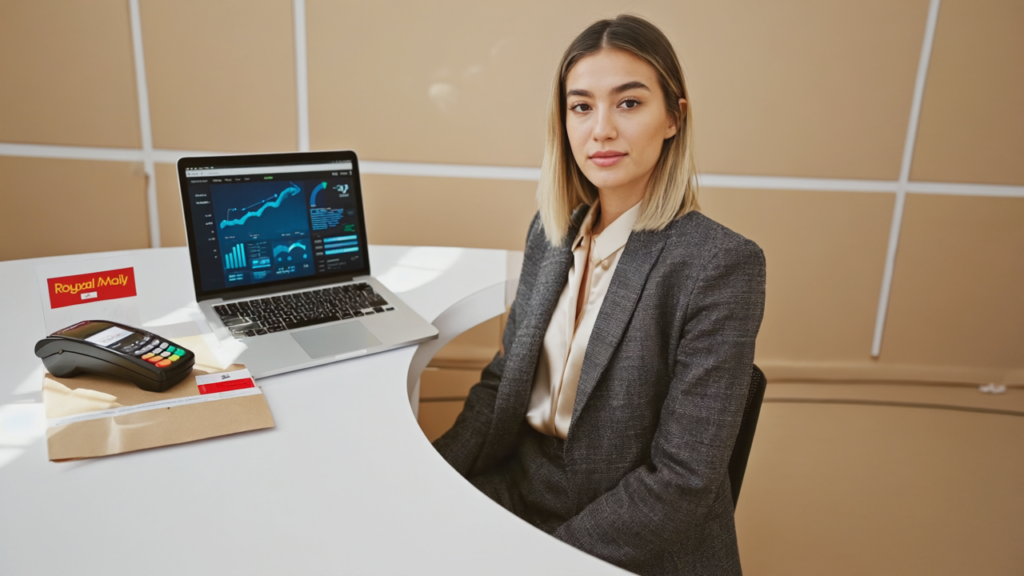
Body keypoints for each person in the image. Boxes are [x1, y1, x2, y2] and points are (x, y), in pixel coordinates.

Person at [433, 14, 765, 576]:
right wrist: (428, 475)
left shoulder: (720, 264)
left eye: (629, 103)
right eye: (581, 106)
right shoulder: (551, 231)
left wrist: (545, 559)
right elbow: (502, 383)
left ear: (673, 119)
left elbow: (683, 479)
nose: (601, 130)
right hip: (519, 489)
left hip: (623, 528)